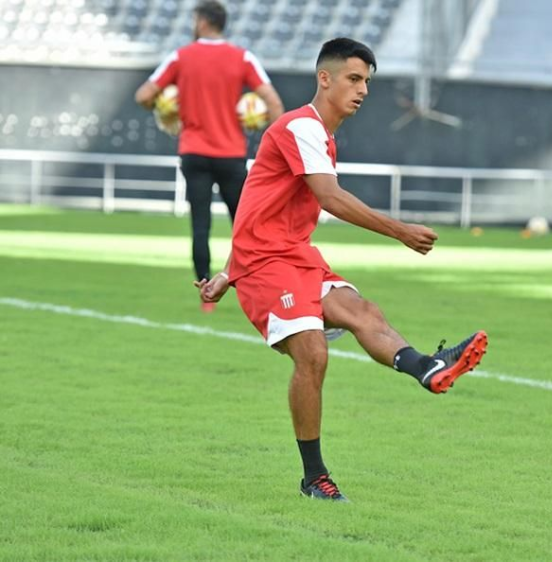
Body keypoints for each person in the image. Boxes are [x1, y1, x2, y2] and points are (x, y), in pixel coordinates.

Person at [195, 38, 488, 502]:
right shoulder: (300, 127)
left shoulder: (320, 135)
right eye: (354, 79)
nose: (363, 90)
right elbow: (330, 198)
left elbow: (256, 204)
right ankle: (314, 478)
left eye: (366, 81)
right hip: (266, 264)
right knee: (312, 353)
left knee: (362, 311)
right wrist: (400, 231)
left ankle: (427, 367)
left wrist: (225, 274)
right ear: (324, 78)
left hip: (294, 254)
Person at [135, 1, 284, 310]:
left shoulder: (181, 56)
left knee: (200, 225)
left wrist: (165, 109)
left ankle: (206, 297)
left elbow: (144, 95)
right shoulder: (242, 57)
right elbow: (274, 104)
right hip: (231, 154)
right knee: (247, 226)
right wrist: (264, 134)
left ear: (202, 21)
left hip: (194, 153)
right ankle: (260, 288)